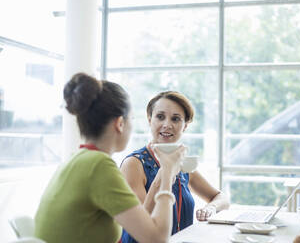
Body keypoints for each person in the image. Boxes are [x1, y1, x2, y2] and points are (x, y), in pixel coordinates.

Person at [34, 73, 186, 243]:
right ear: (120, 123)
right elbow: (156, 238)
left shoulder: (77, 160)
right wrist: (167, 173)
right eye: (132, 119)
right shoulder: (99, 166)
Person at [120, 91, 230, 243]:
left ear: (185, 126)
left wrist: (210, 208)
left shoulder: (182, 162)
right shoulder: (134, 164)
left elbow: (221, 198)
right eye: (160, 117)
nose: (167, 125)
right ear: (149, 119)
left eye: (175, 119)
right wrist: (165, 173)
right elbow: (142, 226)